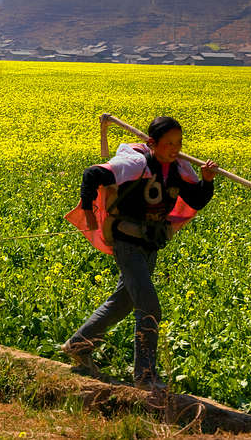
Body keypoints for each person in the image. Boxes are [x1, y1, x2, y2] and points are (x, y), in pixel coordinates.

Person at [62, 116, 218, 390]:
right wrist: (87, 209)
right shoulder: (135, 163)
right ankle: (145, 377)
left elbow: (195, 200)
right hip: (127, 241)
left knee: (123, 302)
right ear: (152, 143)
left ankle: (78, 345)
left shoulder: (179, 168)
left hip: (150, 243)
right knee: (149, 308)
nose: (175, 148)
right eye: (168, 143)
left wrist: (206, 181)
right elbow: (93, 173)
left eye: (178, 143)